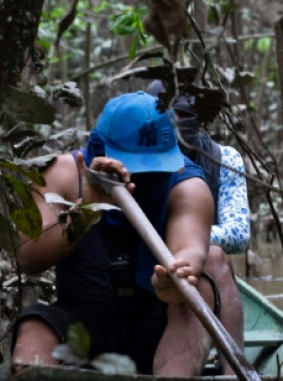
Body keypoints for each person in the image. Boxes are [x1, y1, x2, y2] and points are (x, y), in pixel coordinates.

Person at [11, 91, 216, 375]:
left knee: (198, 289)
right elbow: (28, 258)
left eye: (152, 170)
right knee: (34, 327)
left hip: (155, 328)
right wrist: (87, 208)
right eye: (133, 169)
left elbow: (190, 248)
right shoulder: (63, 175)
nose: (141, 180)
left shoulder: (186, 185)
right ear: (100, 150)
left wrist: (176, 276)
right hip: (83, 323)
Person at [146, 81, 250, 374]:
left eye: (185, 117)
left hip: (200, 271)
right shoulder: (138, 155)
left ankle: (235, 368)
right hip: (148, 271)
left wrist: (187, 242)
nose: (177, 125)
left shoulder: (224, 158)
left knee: (214, 256)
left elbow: (239, 234)